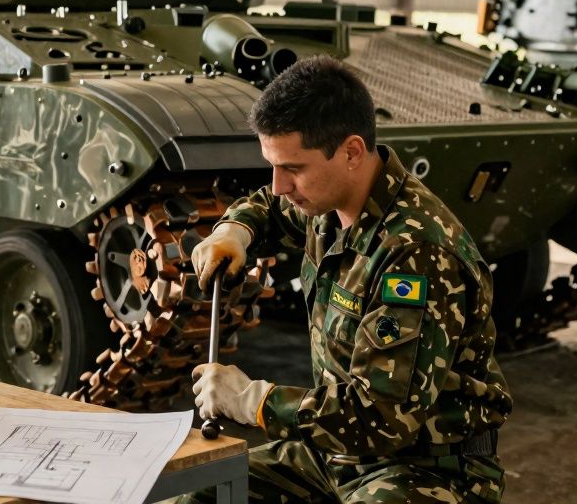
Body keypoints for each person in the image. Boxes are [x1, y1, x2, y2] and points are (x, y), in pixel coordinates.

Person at [189, 55, 511, 504]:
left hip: (425, 469)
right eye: (273, 165)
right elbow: (270, 205)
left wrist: (252, 400)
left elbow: (382, 417)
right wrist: (235, 230)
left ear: (352, 152)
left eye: (293, 168)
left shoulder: (414, 253)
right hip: (334, 453)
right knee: (195, 495)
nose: (280, 184)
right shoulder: (328, 204)